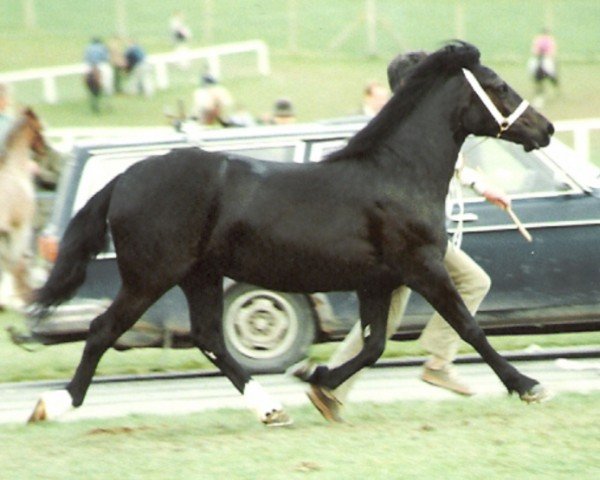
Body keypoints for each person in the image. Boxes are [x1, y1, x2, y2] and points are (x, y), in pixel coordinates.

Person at [292, 51, 512, 423]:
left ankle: (330, 388)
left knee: (385, 324)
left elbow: (448, 161)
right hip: (404, 238)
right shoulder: (401, 124)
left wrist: (483, 186)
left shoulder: (409, 120)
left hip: (400, 236)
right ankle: (439, 362)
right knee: (473, 280)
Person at [529, 28, 559, 107]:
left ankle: (552, 75)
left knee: (548, 66)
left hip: (546, 57)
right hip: (538, 57)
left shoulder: (550, 40)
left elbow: (552, 51)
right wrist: (538, 53)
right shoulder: (538, 39)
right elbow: (534, 49)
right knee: (531, 64)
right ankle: (532, 75)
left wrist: (547, 54)